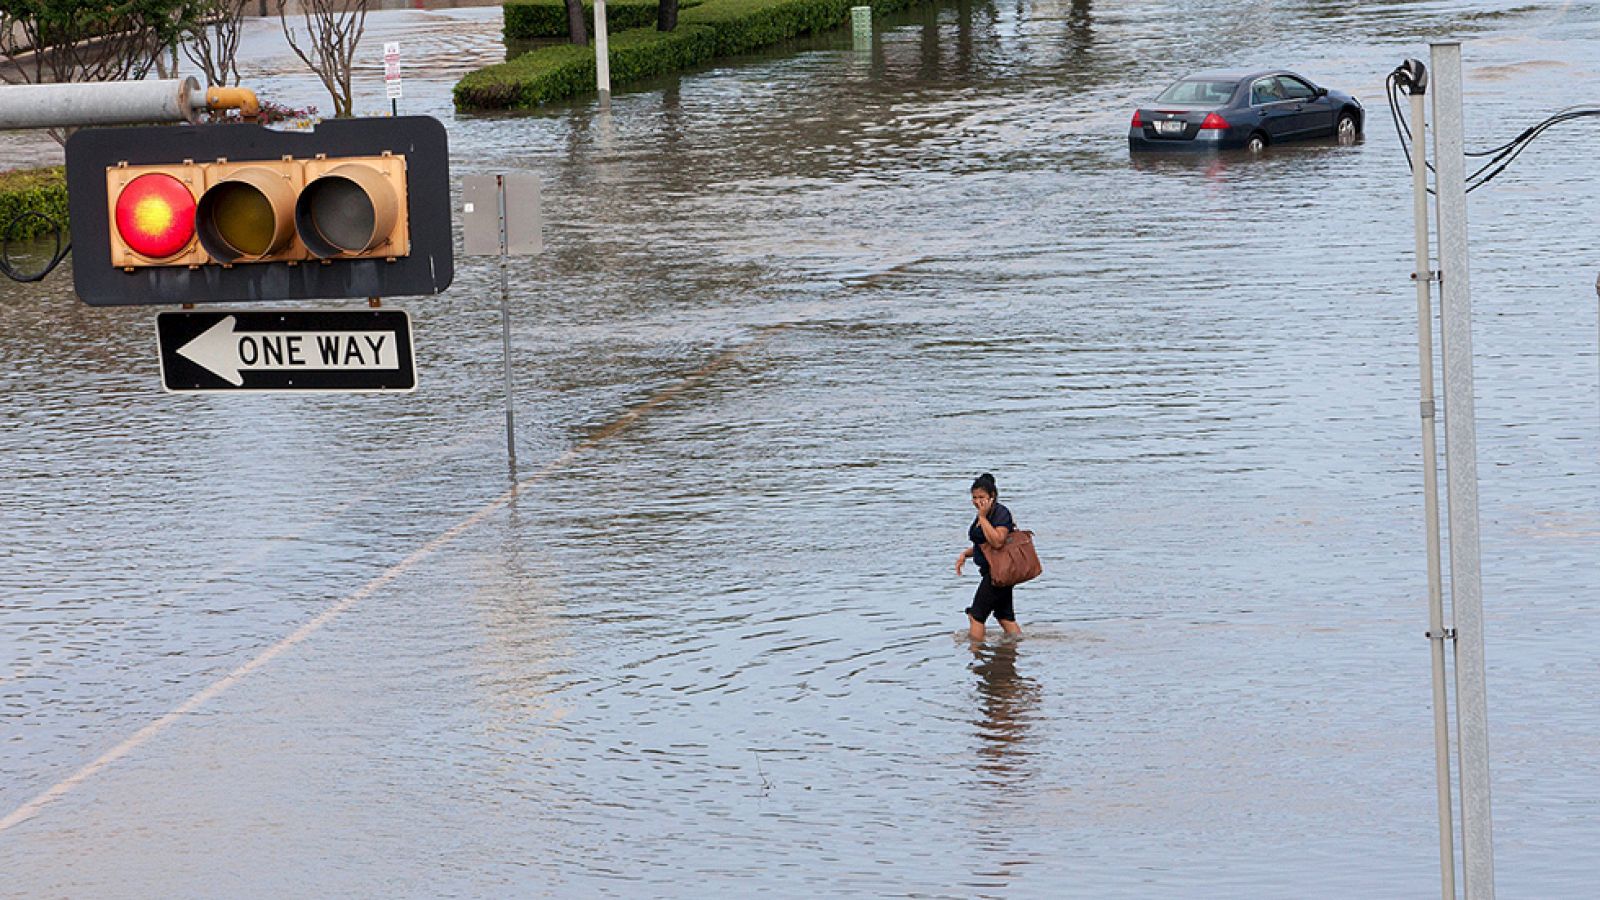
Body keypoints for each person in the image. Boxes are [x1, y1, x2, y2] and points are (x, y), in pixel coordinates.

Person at [955, 473, 1023, 641]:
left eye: (982, 497)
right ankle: (1011, 652)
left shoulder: (999, 514)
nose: (978, 501)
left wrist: (983, 518)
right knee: (1004, 616)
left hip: (998, 573)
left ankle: (977, 656)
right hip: (993, 571)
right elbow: (983, 544)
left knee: (976, 615)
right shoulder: (984, 515)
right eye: (974, 497)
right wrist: (966, 554)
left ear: (992, 496)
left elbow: (998, 542)